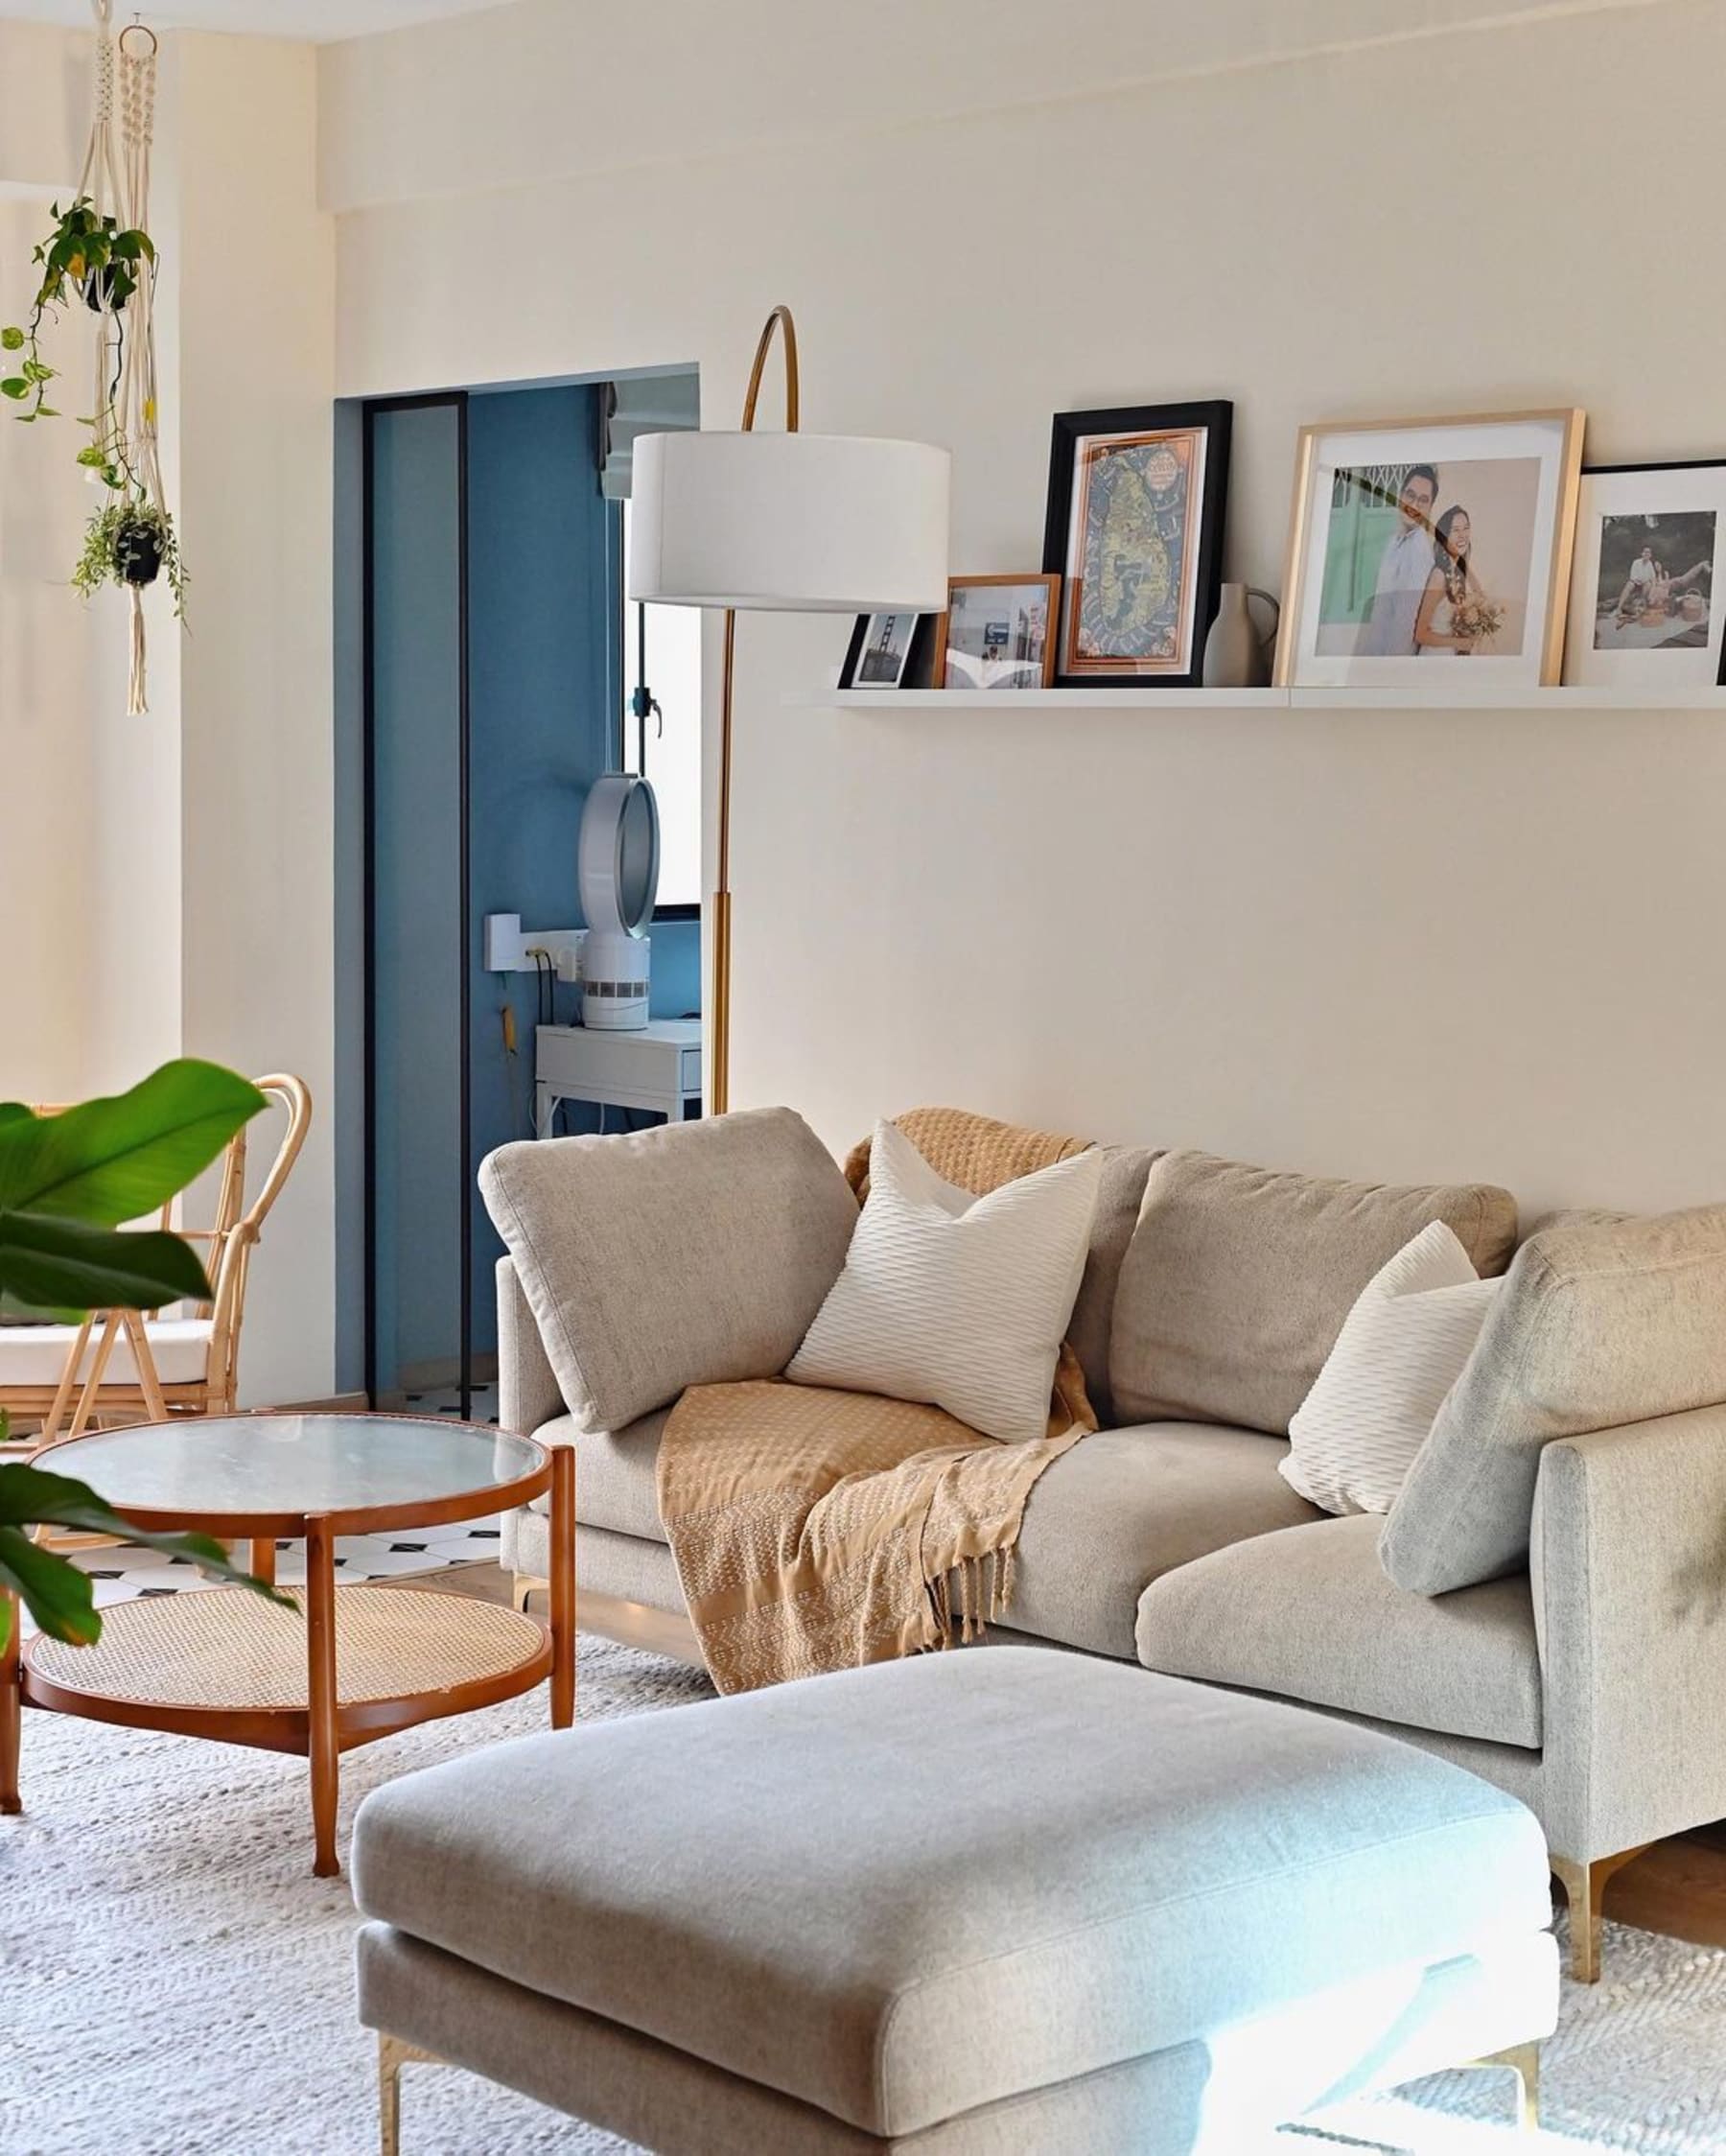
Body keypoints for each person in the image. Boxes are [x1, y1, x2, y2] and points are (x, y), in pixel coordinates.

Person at [1356, 464, 1439, 655]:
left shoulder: (1419, 549)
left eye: (1423, 500)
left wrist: (1389, 668)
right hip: (1376, 648)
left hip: (1393, 656)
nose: (1414, 505)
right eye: (1410, 495)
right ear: (1400, 495)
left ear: (1430, 507)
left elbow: (1405, 621)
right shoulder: (1394, 541)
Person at [1415, 504, 1482, 656]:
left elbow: (1480, 595)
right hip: (1435, 656)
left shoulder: (1458, 572)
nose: (1463, 535)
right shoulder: (1439, 576)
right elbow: (1420, 634)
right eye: (1456, 530)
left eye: (1466, 528)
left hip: (1452, 655)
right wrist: (1459, 643)